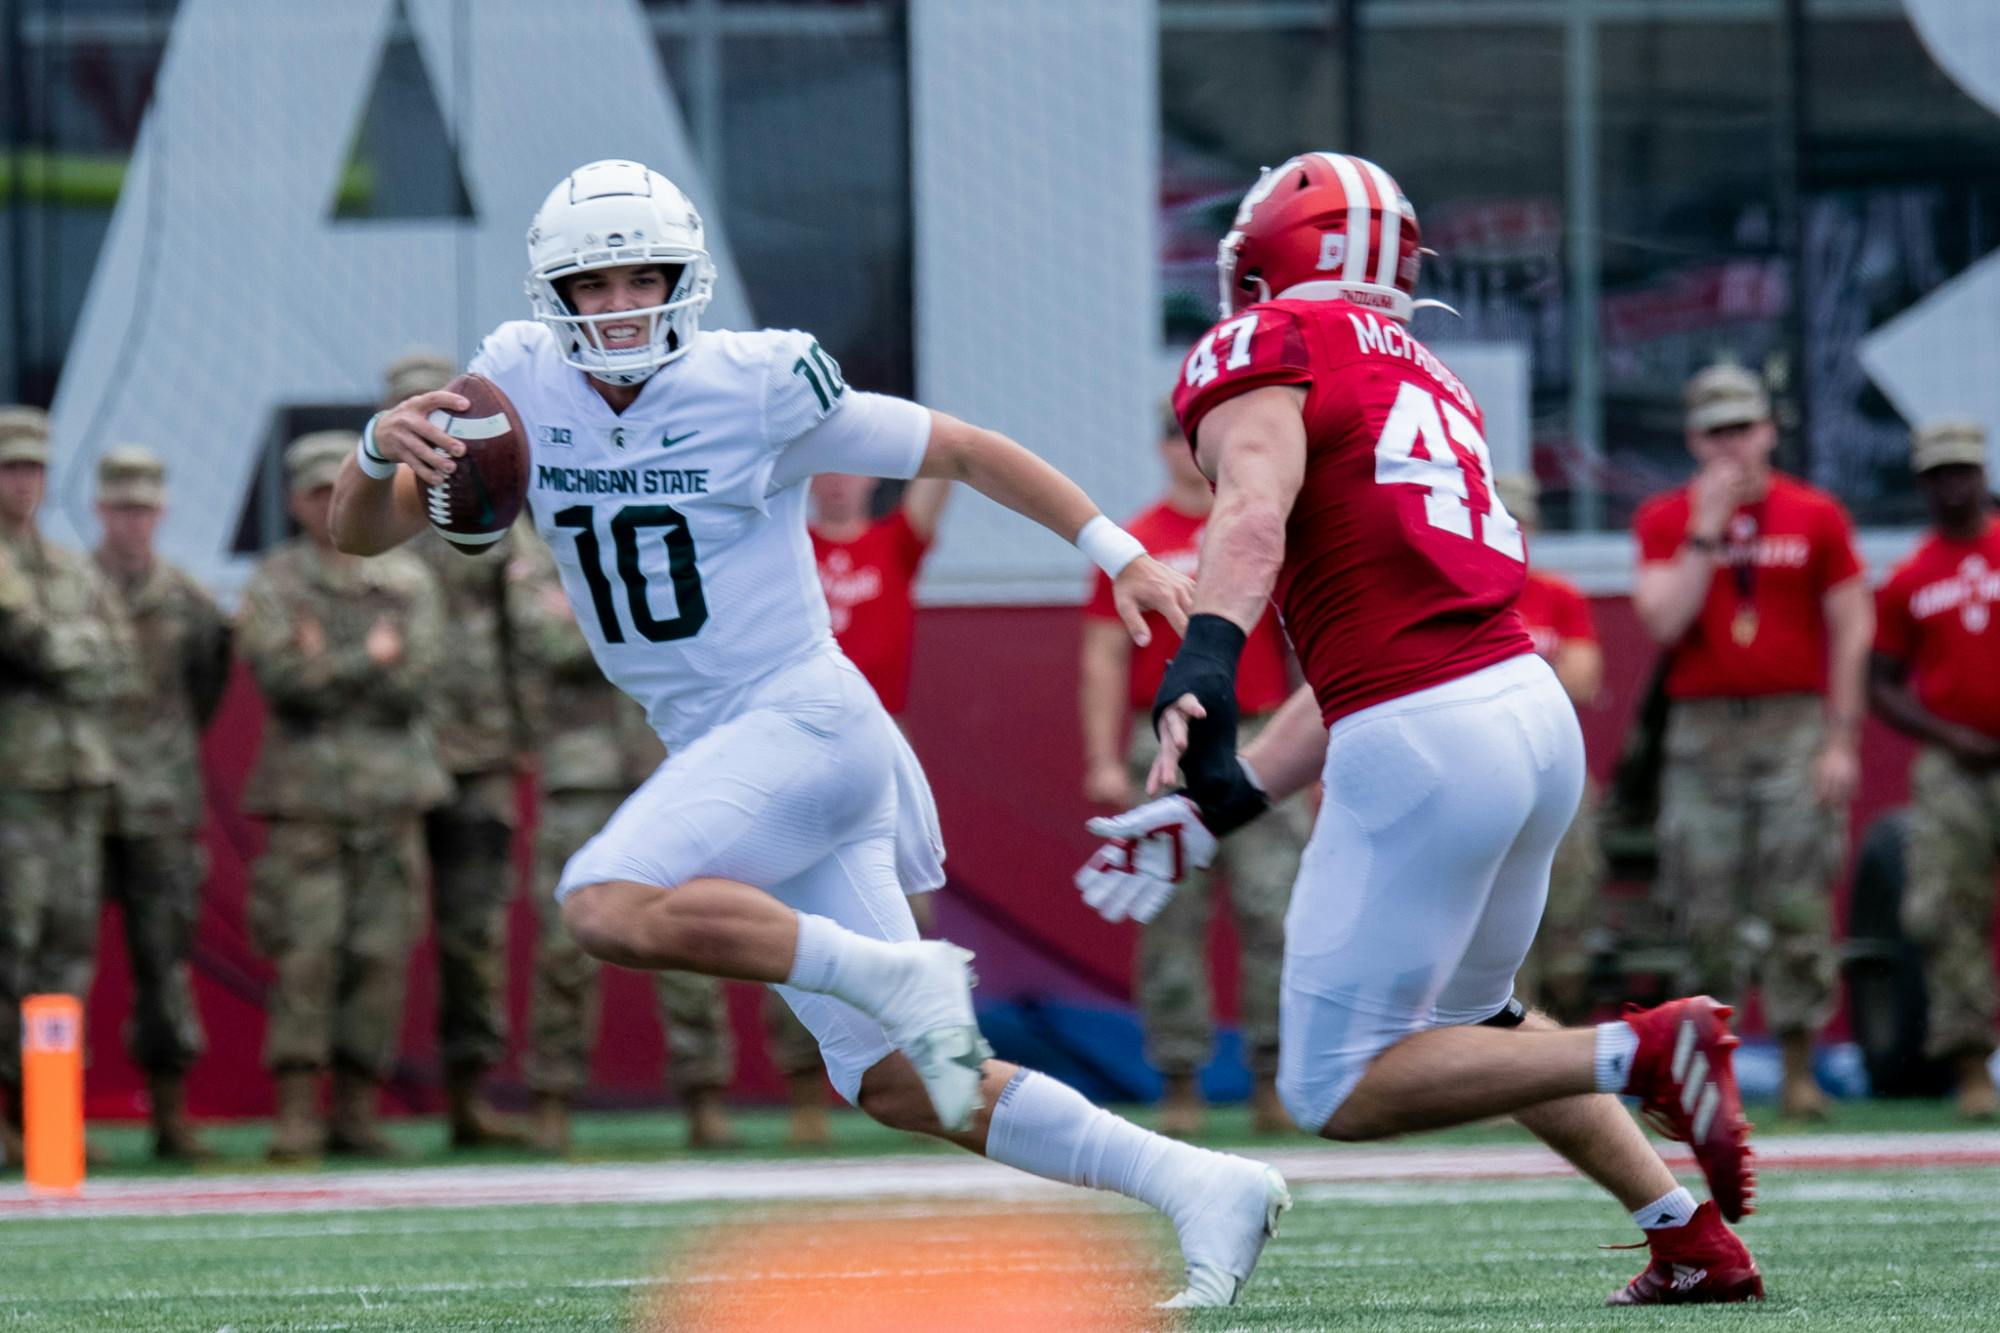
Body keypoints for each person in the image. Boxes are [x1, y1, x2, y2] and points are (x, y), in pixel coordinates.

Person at [331, 159, 1287, 1308]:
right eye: (596, 281)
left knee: (601, 898)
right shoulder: (519, 380)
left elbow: (965, 449)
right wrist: (381, 449)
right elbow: (362, 537)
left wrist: (1117, 551)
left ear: (687, 280)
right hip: (728, 747)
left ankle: (895, 969)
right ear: (556, 294)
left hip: (802, 719)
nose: (624, 301)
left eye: (647, 275)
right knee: (910, 1081)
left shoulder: (758, 380)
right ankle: (1200, 1182)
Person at [1075, 152, 1762, 1306]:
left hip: (1427, 737)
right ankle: (1683, 1230)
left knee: (1332, 1088)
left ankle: (1638, 1047)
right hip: (1518, 718)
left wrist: (1202, 659)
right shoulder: (1427, 378)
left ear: (1271, 260)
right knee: (1476, 1020)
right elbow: (1355, 669)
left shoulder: (1261, 346)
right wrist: (1215, 808)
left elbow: (1246, 516)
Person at [1632, 362, 1872, 1121]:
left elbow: (1853, 625)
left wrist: (1840, 738)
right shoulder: (1666, 517)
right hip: (1703, 734)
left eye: (1745, 426)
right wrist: (1706, 527)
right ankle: (1719, 1081)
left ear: (1769, 429)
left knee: (1799, 899)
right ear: (1695, 438)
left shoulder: (1816, 513)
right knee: (1702, 907)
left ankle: (1800, 1066)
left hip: (1793, 723)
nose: (1734, 444)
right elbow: (1664, 621)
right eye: (1717, 430)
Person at [1078, 404, 1304, 1136]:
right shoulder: (1134, 540)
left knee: (1276, 913)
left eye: (1194, 435)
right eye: (1174, 436)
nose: (1186, 450)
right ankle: (1180, 1077)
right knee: (1170, 917)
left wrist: (1318, 756)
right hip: (1164, 742)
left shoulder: (1264, 528)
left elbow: (1307, 644)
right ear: (1162, 447)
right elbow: (1105, 652)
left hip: (1265, 733)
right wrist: (1103, 757)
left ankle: (1274, 1076)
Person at [238, 432, 452, 1161]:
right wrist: (369, 655)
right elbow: (280, 682)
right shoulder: (274, 583)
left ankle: (357, 1109)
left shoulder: (410, 582)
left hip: (392, 797)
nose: (326, 502)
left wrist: (328, 659)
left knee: (379, 953)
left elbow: (417, 682)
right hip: (306, 803)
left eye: (338, 486)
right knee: (306, 953)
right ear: (296, 504)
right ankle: (298, 1111)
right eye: (311, 491)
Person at [512, 532, 747, 1152]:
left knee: (690, 932)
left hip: (670, 767)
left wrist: (594, 613)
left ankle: (705, 1096)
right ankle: (552, 1100)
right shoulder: (540, 556)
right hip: (580, 776)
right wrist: (641, 614)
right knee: (565, 943)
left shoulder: (669, 539)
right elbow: (548, 641)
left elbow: (703, 635)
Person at [382, 350, 536, 1148]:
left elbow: (534, 627)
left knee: (475, 933)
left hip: (477, 747)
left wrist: (523, 730)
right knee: (376, 928)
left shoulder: (498, 493)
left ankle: (469, 1096)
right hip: (383, 754)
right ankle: (347, 1102)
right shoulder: (373, 502)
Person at [0, 407, 137, 1168]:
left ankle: (48, 1113)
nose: (23, 483)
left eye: (33, 469)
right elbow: (36, 644)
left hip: (77, 777)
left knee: (66, 952)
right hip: (14, 780)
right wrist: (71, 646)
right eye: (9, 468)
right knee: (7, 948)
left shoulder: (65, 563)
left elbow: (115, 656)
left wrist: (70, 646)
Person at [93, 446, 233, 1160]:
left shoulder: (189, 598)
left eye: (143, 509)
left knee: (166, 959)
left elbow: (209, 682)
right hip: (78, 800)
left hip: (162, 802)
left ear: (162, 512)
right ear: (99, 510)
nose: (132, 521)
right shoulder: (69, 586)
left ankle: (171, 1115)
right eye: (121, 507)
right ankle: (33, 1114)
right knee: (47, 963)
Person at [1868, 418, 2000, 1120]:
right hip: (1954, 762)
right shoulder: (1911, 577)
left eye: (1963, 471)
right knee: (1945, 911)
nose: (1953, 485)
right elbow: (1880, 680)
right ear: (1923, 484)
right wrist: (1946, 732)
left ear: (1983, 473)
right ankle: (1971, 1064)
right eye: (1939, 474)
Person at [1492, 473, 1605, 1024]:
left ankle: (1562, 1049)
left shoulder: (1559, 596)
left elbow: (1582, 680)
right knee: (1493, 922)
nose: (1508, 532)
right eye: (1498, 519)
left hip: (1554, 770)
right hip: (1485, 774)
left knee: (1567, 914)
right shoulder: (1457, 594)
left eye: (1519, 522)